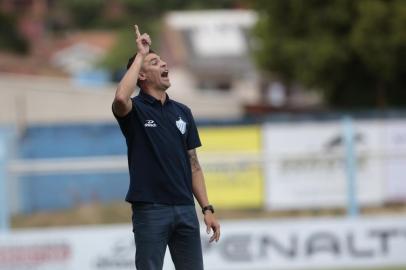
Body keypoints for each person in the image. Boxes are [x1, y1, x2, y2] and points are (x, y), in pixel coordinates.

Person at [112, 25, 220, 270]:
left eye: (162, 60)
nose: (162, 64)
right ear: (140, 74)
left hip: (184, 208)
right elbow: (120, 98)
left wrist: (206, 208)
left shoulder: (183, 112)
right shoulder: (134, 110)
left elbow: (193, 165)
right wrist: (140, 55)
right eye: (154, 62)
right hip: (151, 210)